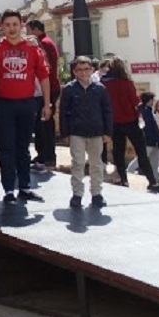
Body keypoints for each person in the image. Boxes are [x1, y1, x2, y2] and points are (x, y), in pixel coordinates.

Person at [0, 9, 50, 204]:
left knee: (24, 147)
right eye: (7, 25)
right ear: (2, 27)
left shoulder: (32, 49)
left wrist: (47, 104)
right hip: (3, 105)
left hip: (27, 103)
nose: (11, 28)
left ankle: (25, 187)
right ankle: (8, 189)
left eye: (15, 24)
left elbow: (44, 77)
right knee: (6, 148)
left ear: (21, 25)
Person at [102, 57, 159, 195]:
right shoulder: (127, 83)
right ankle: (152, 181)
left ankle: (123, 179)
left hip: (114, 122)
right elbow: (135, 102)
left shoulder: (104, 84)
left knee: (118, 151)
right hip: (130, 121)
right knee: (141, 152)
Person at [58, 56, 112, 208]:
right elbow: (63, 112)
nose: (83, 73)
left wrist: (107, 132)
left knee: (96, 164)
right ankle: (77, 194)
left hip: (96, 131)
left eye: (86, 69)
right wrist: (65, 133)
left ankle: (97, 193)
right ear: (75, 72)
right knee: (78, 163)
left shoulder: (99, 89)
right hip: (77, 132)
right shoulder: (69, 89)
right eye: (80, 70)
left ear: (92, 70)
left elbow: (107, 110)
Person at [25, 19, 61, 172]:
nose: (26, 34)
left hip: (47, 88)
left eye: (28, 30)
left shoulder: (42, 43)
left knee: (44, 125)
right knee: (44, 124)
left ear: (35, 30)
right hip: (49, 87)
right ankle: (44, 155)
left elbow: (44, 66)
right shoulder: (47, 41)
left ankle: (46, 156)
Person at [138, 92, 159, 185]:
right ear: (149, 100)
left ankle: (156, 180)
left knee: (154, 163)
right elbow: (149, 127)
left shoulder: (147, 111)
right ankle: (130, 172)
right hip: (149, 141)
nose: (153, 102)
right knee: (142, 160)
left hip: (153, 141)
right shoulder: (144, 111)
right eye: (152, 100)